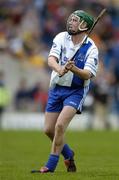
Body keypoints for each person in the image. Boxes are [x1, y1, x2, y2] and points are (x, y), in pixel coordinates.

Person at [32, 10, 99, 173]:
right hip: (57, 87)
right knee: (49, 129)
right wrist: (59, 68)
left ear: (85, 26)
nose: (71, 22)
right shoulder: (61, 37)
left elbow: (88, 74)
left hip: (76, 91)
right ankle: (68, 153)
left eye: (76, 21)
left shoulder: (92, 48)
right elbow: (51, 59)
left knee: (60, 126)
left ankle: (50, 166)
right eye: (71, 19)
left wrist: (74, 68)